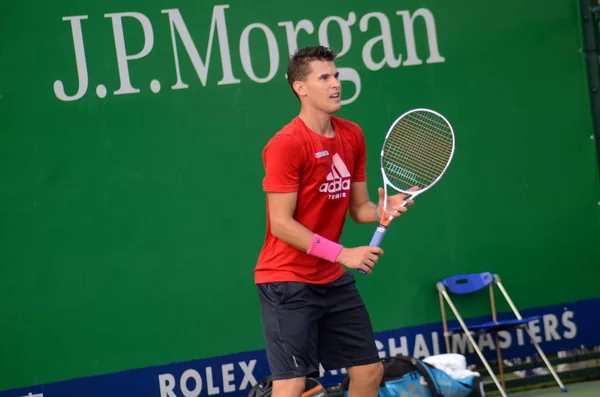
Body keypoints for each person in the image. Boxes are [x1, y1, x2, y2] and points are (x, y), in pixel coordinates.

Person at [254, 45, 415, 397]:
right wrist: (343, 254)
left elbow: (359, 208)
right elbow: (281, 224)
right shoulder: (286, 144)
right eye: (324, 77)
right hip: (287, 281)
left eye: (336, 75)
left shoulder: (351, 135)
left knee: (369, 371)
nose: (335, 84)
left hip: (330, 278)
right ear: (301, 87)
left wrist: (381, 210)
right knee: (293, 383)